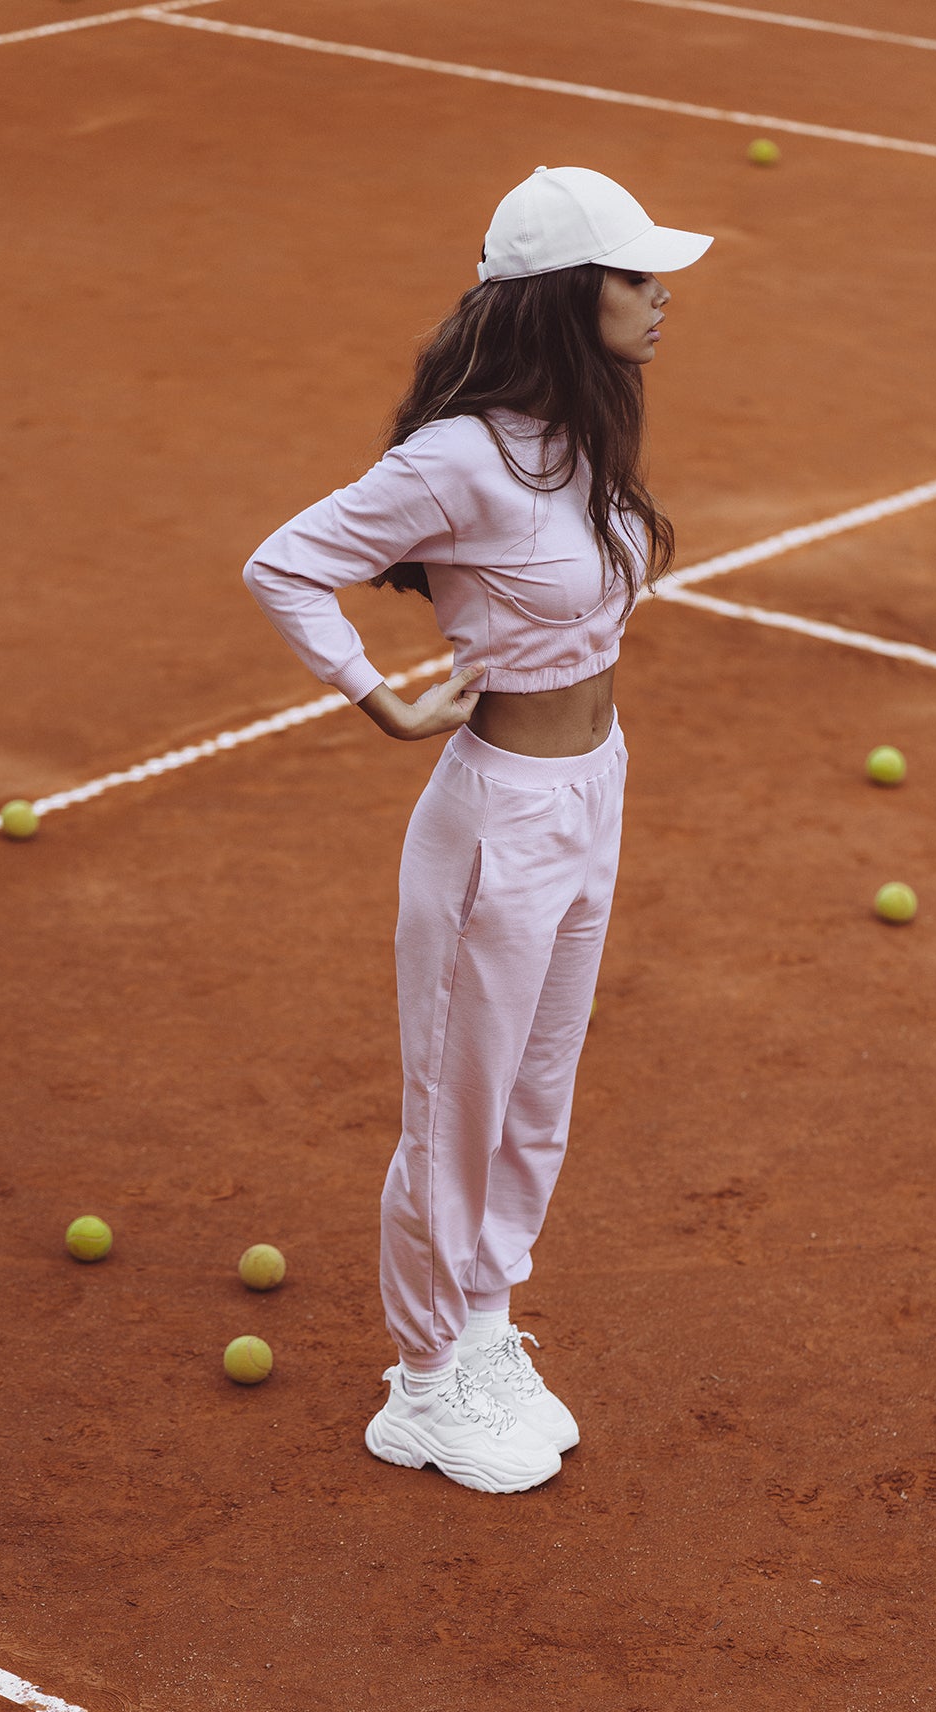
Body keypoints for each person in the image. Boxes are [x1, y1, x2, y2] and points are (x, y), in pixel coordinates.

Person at [244, 166, 712, 1494]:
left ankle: (484, 1325)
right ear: (567, 295)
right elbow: (286, 563)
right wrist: (375, 696)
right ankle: (422, 1384)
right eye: (635, 276)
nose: (660, 296)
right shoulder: (458, 459)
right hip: (496, 819)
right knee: (458, 1113)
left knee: (536, 1094)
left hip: (593, 791)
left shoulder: (580, 431)